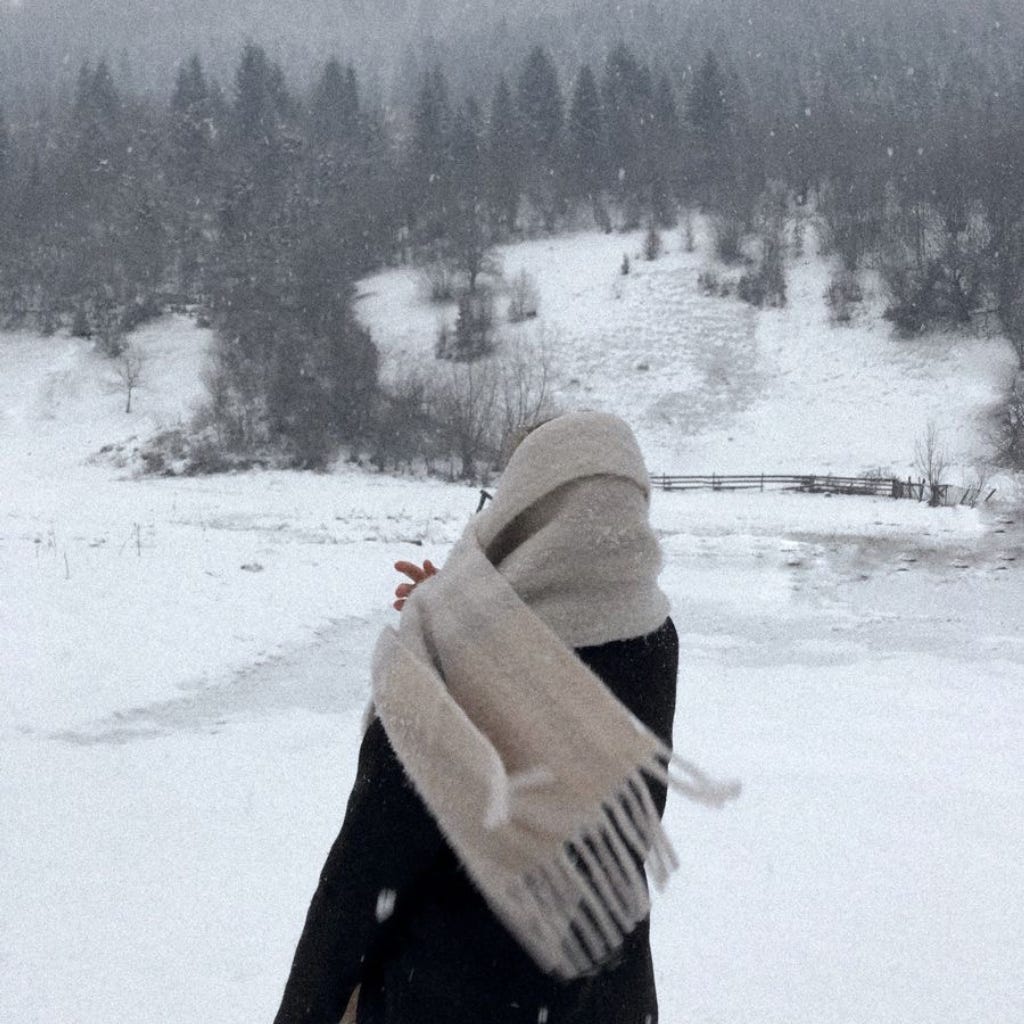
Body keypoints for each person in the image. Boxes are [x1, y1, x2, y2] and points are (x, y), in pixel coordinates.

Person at [273, 411, 738, 1024]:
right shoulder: (653, 639)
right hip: (604, 994)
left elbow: (362, 876)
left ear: (527, 504)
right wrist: (463, 609)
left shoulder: (456, 658)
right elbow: (559, 674)